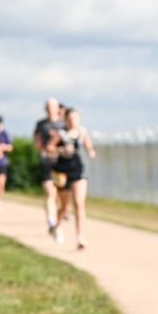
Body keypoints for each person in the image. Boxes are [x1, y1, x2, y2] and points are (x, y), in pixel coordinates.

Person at [49, 107, 96, 250]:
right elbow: (49, 147)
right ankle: (56, 226)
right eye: (70, 119)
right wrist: (61, 150)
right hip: (61, 172)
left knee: (79, 203)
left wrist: (91, 151)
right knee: (64, 207)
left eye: (75, 118)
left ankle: (79, 237)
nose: (73, 121)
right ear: (66, 120)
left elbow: (88, 146)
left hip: (78, 170)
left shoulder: (82, 131)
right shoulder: (61, 134)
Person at [34, 98, 65, 241]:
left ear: (58, 108)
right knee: (50, 192)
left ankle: (56, 224)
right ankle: (51, 221)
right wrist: (43, 147)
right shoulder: (41, 124)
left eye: (51, 106)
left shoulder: (63, 123)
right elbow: (37, 142)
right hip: (47, 162)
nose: (49, 108)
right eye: (47, 106)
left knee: (60, 197)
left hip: (62, 164)